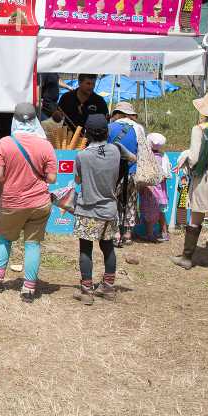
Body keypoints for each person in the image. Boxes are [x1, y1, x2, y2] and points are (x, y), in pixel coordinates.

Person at [0, 103, 57, 302]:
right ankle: (29, 288)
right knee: (33, 244)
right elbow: (52, 178)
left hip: (12, 202)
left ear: (14, 120)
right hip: (39, 202)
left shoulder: (5, 143)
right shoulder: (45, 145)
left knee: (4, 239)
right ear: (35, 120)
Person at [73, 114, 136, 305]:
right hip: (109, 209)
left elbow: (78, 180)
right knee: (108, 248)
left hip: (87, 210)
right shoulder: (116, 150)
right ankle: (108, 288)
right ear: (107, 133)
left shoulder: (82, 156)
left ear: (87, 133)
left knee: (86, 249)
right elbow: (133, 158)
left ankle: (86, 291)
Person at [172, 90, 208, 272]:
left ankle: (187, 257)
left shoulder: (200, 129)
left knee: (196, 217)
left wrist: (185, 157)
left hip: (204, 178)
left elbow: (195, 158)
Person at [107, 101, 142, 247]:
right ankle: (128, 235)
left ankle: (116, 234)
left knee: (113, 201)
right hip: (133, 171)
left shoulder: (109, 127)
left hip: (114, 172)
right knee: (131, 201)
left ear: (117, 114)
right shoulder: (138, 129)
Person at [139, 133, 171, 242]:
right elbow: (166, 174)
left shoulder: (147, 157)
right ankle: (164, 233)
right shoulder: (163, 156)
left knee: (149, 211)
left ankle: (150, 234)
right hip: (161, 189)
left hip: (151, 189)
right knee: (161, 211)